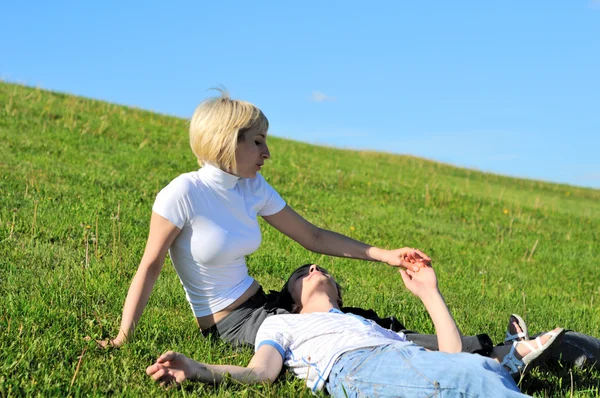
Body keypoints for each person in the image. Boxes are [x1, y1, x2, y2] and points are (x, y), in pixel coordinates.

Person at [99, 89, 431, 349]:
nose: (267, 153)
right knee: (344, 333)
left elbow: (312, 237)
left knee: (364, 322)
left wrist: (385, 255)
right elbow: (151, 266)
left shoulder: (252, 187)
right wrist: (122, 337)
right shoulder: (184, 193)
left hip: (265, 305)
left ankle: (468, 350)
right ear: (228, 141)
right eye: (258, 142)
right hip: (230, 325)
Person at [146, 264, 565, 397]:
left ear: (340, 293)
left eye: (319, 267)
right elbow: (260, 372)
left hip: (408, 361)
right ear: (292, 299)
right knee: (476, 377)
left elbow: (450, 355)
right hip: (358, 366)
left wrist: (430, 293)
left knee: (483, 374)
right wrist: (198, 368)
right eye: (301, 272)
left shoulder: (363, 322)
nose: (313, 268)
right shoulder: (283, 322)